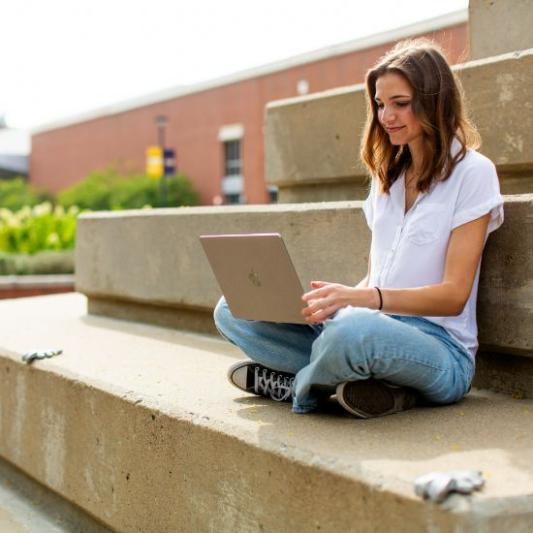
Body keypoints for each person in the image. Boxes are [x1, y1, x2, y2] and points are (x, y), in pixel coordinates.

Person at [213, 38, 504, 418]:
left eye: (400, 103)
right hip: (371, 324)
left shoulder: (473, 173)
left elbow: (453, 296)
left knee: (353, 334)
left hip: (439, 348)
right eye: (381, 104)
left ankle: (298, 387)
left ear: (435, 102)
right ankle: (363, 386)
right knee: (231, 308)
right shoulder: (388, 180)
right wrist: (335, 301)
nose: (386, 116)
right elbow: (377, 277)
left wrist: (361, 301)